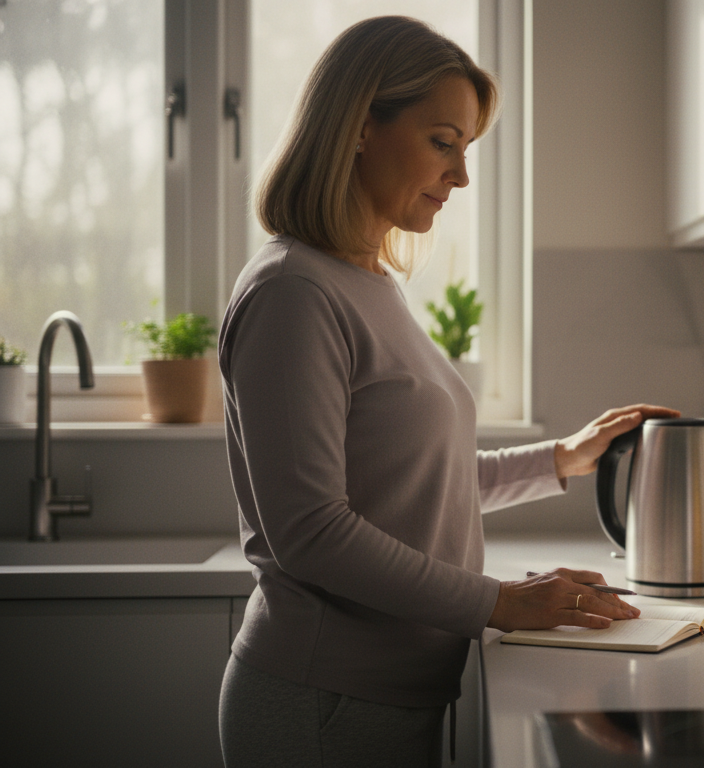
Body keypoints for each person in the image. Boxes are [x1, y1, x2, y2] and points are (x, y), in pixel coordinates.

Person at [216, 16, 678, 767]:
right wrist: (500, 601)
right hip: (322, 705)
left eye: (464, 150)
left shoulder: (368, 283)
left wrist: (564, 458)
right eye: (443, 142)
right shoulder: (292, 292)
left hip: (391, 693)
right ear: (361, 126)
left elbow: (411, 486)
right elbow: (310, 533)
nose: (461, 176)